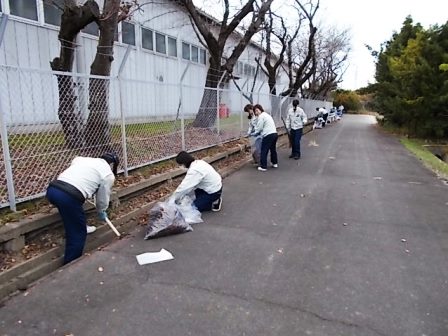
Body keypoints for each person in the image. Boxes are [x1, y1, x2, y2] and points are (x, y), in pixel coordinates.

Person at [46, 153, 119, 264]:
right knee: (78, 233)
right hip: (68, 197)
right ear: (112, 165)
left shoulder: (82, 159)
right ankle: (70, 264)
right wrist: (102, 210)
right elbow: (102, 198)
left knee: (73, 213)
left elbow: (78, 173)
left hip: (53, 190)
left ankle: (80, 225)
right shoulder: (108, 175)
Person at [251, 104, 278, 172]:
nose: (256, 112)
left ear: (260, 109)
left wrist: (253, 133)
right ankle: (274, 163)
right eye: (255, 111)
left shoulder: (261, 116)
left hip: (268, 135)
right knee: (273, 149)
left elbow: (259, 128)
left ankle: (263, 166)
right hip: (274, 134)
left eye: (257, 110)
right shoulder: (267, 115)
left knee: (264, 150)